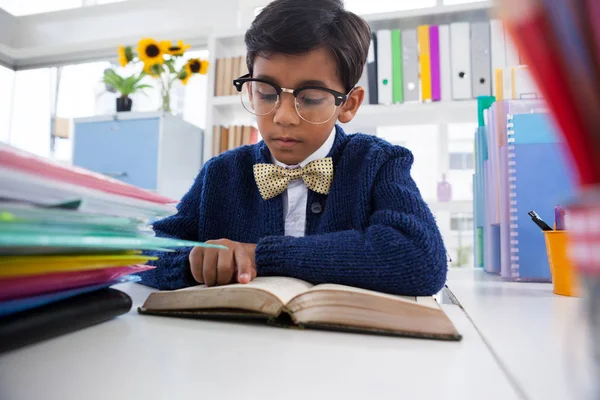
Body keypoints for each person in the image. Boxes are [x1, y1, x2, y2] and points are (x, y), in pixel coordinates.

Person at [139, 0, 448, 296]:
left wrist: (261, 256)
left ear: (348, 104)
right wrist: (194, 262)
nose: (284, 117)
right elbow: (145, 250)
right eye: (265, 92)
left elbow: (421, 258)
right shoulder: (221, 173)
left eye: (311, 98)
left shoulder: (378, 162)